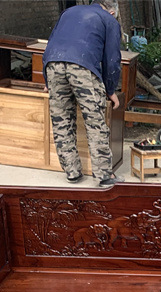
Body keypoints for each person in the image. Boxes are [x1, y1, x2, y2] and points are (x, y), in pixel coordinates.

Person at [43, 0, 122, 186]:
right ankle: (104, 176)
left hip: (53, 65)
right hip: (82, 67)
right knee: (95, 122)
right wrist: (111, 90)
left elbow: (50, 45)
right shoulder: (109, 20)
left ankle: (72, 172)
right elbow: (112, 59)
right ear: (112, 12)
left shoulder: (68, 12)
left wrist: (47, 81)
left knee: (61, 120)